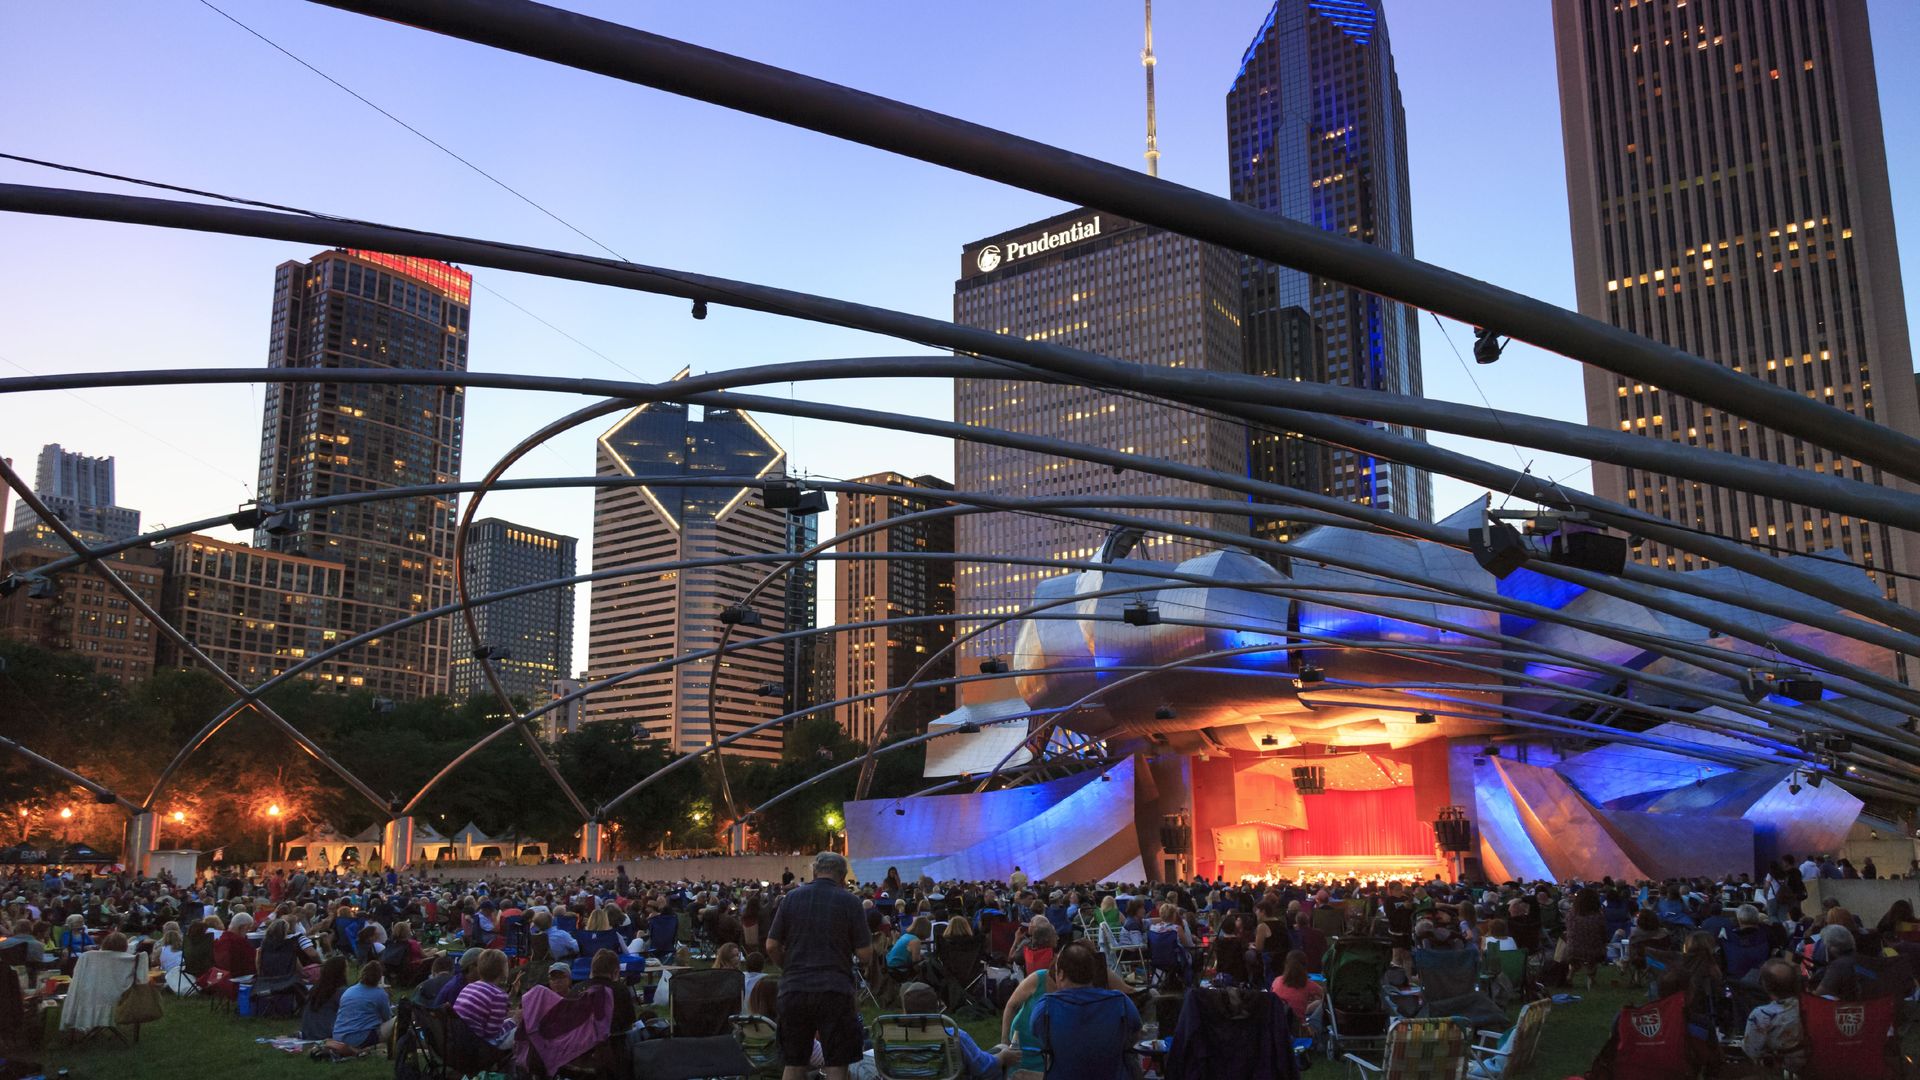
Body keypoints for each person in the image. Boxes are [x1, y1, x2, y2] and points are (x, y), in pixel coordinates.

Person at [765, 851, 874, 1080]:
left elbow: (772, 945)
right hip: (835, 989)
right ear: (843, 877)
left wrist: (789, 967)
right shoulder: (851, 902)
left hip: (794, 988)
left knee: (795, 1062)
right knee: (837, 1062)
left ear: (814, 872)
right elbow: (865, 954)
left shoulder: (791, 899)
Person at [1030, 941, 1141, 1080]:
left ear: (1061, 974)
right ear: (1093, 973)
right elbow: (1135, 1035)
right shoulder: (1121, 1002)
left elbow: (1039, 1036)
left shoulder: (1045, 1007)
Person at [901, 981, 1020, 1078]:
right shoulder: (953, 1036)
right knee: (1002, 1050)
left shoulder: (891, 1037)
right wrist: (1003, 1057)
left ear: (905, 1012)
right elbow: (983, 1068)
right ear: (937, 1010)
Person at [1740, 959, 1807, 1075]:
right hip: (1808, 1064)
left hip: (1775, 1070)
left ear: (1765, 986)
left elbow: (1751, 1051)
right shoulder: (1809, 1006)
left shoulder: (1761, 1015)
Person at [325, 959, 395, 1058]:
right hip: (360, 1038)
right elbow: (387, 1017)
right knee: (399, 1020)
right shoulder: (379, 994)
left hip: (339, 1036)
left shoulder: (349, 990)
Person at [453, 948, 516, 1049]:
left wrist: (508, 1000)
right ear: (504, 971)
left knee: (509, 1021)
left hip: (460, 1042)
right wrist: (515, 1020)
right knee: (521, 1028)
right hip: (480, 1047)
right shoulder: (498, 995)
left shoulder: (469, 986)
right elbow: (493, 1034)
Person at [1269, 949, 1324, 1037]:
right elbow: (1326, 995)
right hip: (1300, 1031)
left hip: (1278, 1026)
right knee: (1323, 1004)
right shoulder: (1308, 984)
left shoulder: (1276, 981)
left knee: (1316, 1004)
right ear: (1305, 965)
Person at [301, 955, 350, 1042]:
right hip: (327, 1033)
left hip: (309, 1033)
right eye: (346, 967)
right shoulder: (340, 992)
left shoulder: (316, 989)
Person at [888, 916, 931, 980]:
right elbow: (916, 960)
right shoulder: (915, 941)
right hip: (899, 970)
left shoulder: (906, 935)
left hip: (890, 966)